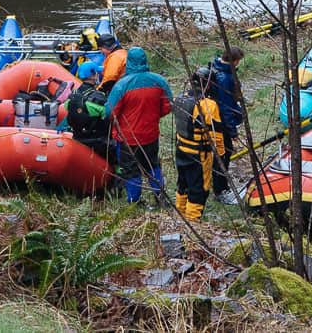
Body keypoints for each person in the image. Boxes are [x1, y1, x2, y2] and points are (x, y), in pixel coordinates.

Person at [104, 47, 173, 205]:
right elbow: (168, 105)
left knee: (130, 170)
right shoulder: (159, 80)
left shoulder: (122, 85)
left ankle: (134, 201)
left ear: (128, 62)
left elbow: (110, 112)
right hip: (151, 133)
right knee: (152, 165)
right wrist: (154, 116)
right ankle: (160, 197)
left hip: (127, 137)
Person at [174, 68, 226, 221]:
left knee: (182, 184)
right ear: (209, 85)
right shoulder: (208, 105)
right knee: (199, 188)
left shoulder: (180, 98)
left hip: (181, 149)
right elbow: (215, 134)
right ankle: (193, 220)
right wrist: (221, 154)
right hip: (199, 155)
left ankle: (180, 214)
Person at [210, 48, 246, 205]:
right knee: (223, 154)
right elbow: (225, 107)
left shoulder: (215, 68)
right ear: (235, 60)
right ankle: (220, 190)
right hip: (221, 122)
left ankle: (220, 186)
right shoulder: (225, 78)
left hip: (214, 119)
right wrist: (232, 130)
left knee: (224, 152)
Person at [60, 61, 110, 155]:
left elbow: (68, 110)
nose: (98, 75)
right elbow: (109, 116)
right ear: (92, 76)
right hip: (97, 142)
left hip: (77, 138)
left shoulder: (72, 96)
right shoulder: (98, 98)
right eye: (97, 73)